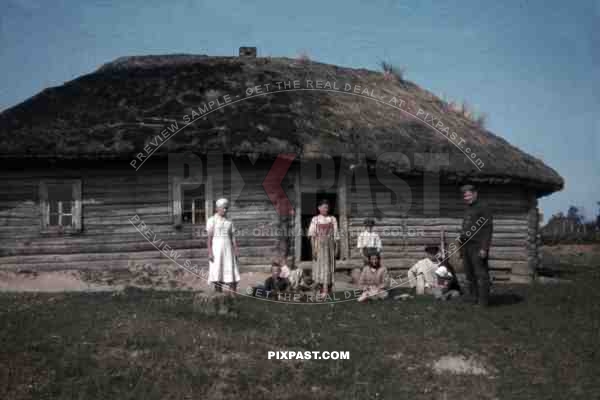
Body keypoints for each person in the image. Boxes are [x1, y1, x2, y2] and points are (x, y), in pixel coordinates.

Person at [458, 184, 493, 306]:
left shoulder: (483, 207)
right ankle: (473, 298)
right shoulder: (468, 208)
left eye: (468, 195)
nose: (466, 198)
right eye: (465, 196)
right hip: (466, 246)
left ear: (475, 194)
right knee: (469, 274)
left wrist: (484, 248)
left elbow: (487, 229)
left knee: (481, 274)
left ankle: (483, 301)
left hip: (477, 246)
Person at [207, 198, 240, 295]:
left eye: (226, 208)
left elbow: (233, 238)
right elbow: (209, 239)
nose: (225, 210)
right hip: (217, 250)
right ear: (217, 208)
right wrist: (210, 253)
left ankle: (233, 297)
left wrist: (236, 251)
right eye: (223, 208)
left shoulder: (229, 221)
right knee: (218, 274)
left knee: (232, 274)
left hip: (228, 250)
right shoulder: (212, 220)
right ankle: (219, 297)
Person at [308, 199, 339, 299]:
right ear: (319, 208)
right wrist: (313, 249)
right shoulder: (315, 219)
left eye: (327, 207)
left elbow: (336, 235)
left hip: (329, 247)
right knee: (319, 266)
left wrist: (337, 248)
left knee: (328, 266)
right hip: (319, 246)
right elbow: (312, 235)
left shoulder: (332, 219)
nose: (326, 209)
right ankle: (319, 288)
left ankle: (326, 289)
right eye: (324, 207)